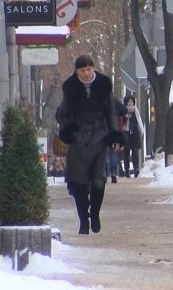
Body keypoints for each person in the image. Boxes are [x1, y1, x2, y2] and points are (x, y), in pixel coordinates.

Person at [57, 55, 127, 235]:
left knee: (98, 182)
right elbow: (62, 114)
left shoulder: (104, 85)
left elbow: (111, 114)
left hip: (99, 140)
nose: (87, 73)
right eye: (82, 70)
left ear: (93, 68)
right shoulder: (70, 88)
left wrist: (115, 137)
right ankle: (83, 221)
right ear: (77, 71)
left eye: (89, 69)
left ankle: (94, 214)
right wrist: (68, 130)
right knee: (79, 183)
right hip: (78, 142)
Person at [123, 95, 144, 178]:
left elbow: (139, 120)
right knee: (126, 153)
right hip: (126, 134)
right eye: (128, 101)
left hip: (135, 134)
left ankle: (136, 169)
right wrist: (126, 117)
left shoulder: (136, 110)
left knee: (135, 152)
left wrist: (141, 131)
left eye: (131, 101)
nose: (130, 103)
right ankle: (127, 170)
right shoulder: (123, 110)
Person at [108, 98, 128, 183]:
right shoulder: (115, 102)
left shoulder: (98, 99)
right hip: (114, 129)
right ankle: (113, 172)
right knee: (113, 152)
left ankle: (103, 172)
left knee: (101, 152)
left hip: (102, 130)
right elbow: (124, 110)